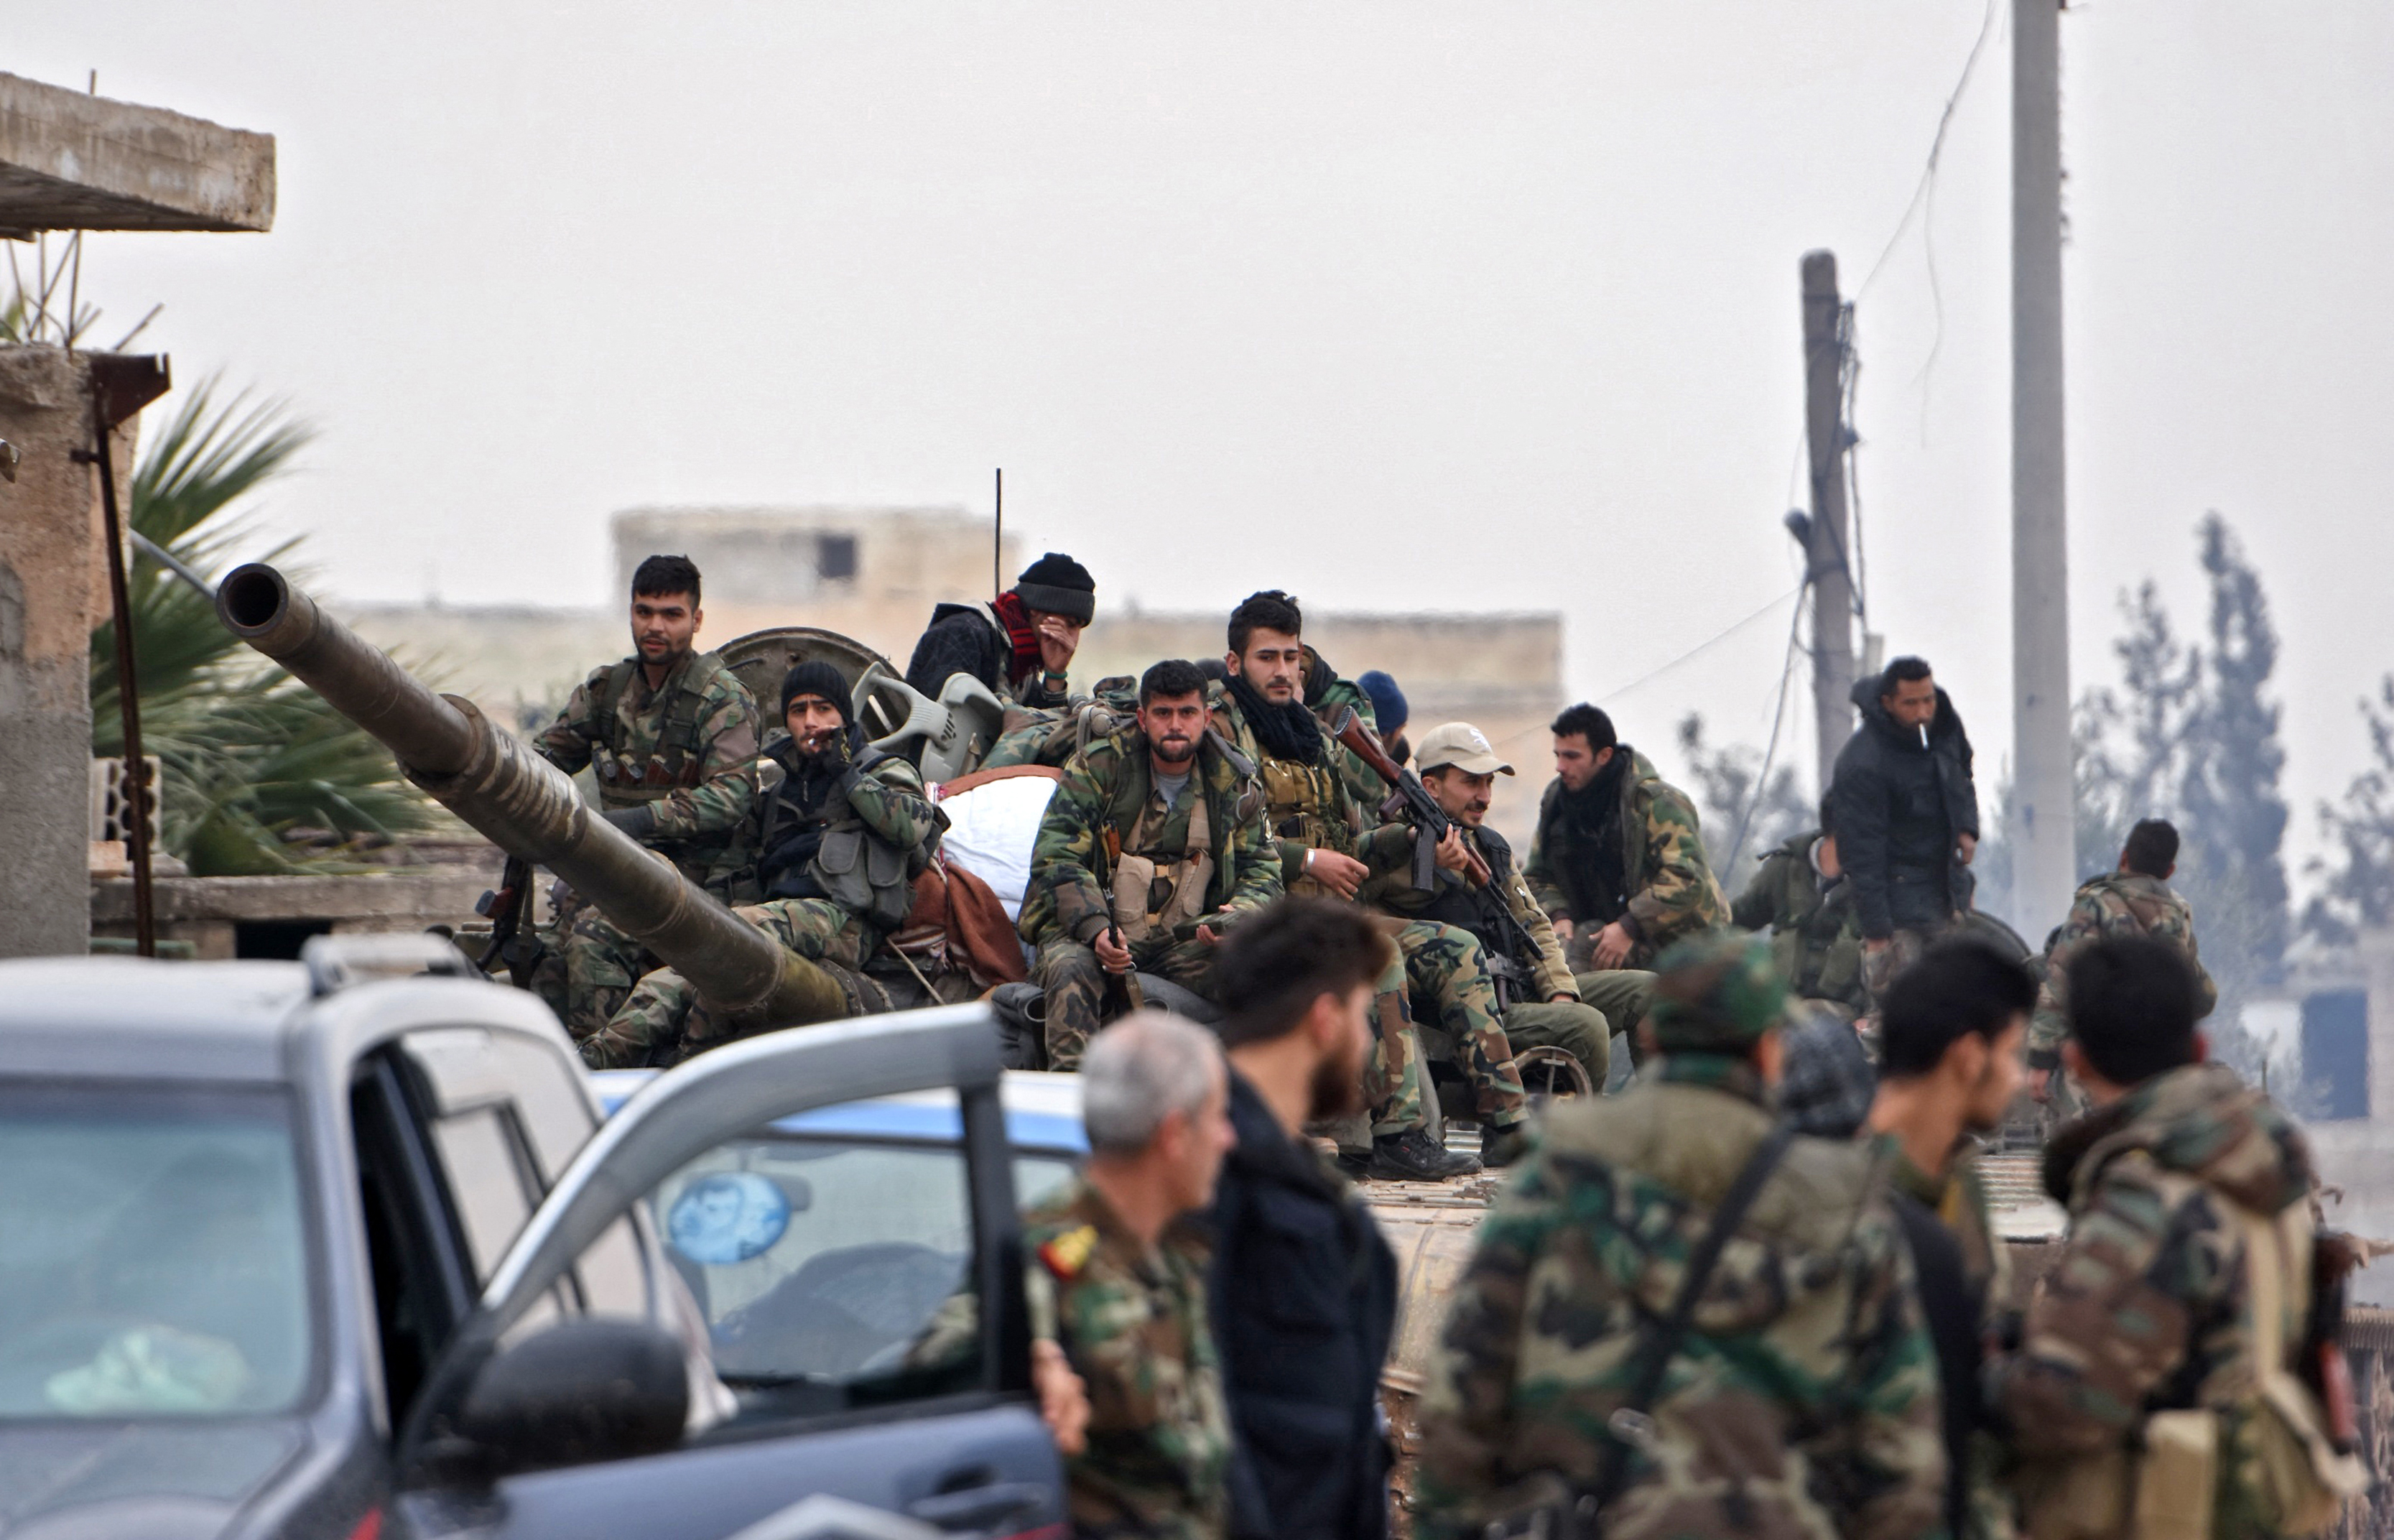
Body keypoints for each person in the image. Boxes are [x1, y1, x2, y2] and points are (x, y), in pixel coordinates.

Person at [1414, 930, 1943, 1540]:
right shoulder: (1844, 1198)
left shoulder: (1557, 1167)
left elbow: (1463, 1401)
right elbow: (1902, 1455)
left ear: (1652, 1038)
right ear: (1771, 1052)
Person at [1989, 936, 2364, 1539]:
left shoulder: (2147, 1194)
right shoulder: (2269, 1179)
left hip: (2162, 1514)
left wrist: (1977, 1374)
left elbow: (2069, 1403)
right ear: (2197, 1047)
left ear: (2075, 1060)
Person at [1212, 590, 1491, 1177]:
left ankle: (1503, 1120)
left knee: (1456, 946)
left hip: (1335, 905)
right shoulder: (1222, 731)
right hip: (1269, 909)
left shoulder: (1309, 731)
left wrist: (1410, 842)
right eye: (1268, 658)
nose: (1284, 671)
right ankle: (1398, 1138)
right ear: (1235, 665)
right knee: (1378, 956)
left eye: (1292, 657)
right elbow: (1223, 840)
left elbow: (1364, 802)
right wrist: (1308, 859)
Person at [585, 660, 947, 1067]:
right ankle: (597, 1060)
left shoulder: (882, 770)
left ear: (844, 716)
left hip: (845, 923)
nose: (811, 721)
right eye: (798, 710)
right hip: (773, 920)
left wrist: (846, 772)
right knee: (669, 977)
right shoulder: (775, 797)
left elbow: (910, 827)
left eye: (823, 708)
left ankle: (687, 1066)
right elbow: (733, 871)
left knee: (735, 941)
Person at [1204, 898, 1403, 1540]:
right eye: (1362, 1015)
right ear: (1324, 1019)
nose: (1368, 1039)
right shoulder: (1201, 1169)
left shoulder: (1301, 1180)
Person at [1025, 1011, 1238, 1540]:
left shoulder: (1182, 1254)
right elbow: (949, 1354)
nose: (1227, 1138)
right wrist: (1033, 1366)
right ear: (1173, 1135)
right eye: (1217, 1118)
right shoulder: (1054, 1253)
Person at [531, 554, 763, 1036]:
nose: (655, 626)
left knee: (593, 944)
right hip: (617, 871)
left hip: (695, 882)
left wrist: (637, 822)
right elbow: (546, 759)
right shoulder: (606, 691)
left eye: (671, 614)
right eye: (644, 611)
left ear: (696, 620)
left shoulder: (721, 699)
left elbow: (731, 797)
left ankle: (610, 1072)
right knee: (547, 953)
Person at [1020, 659, 1281, 1071]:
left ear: (1206, 718)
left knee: (1273, 977)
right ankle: (1069, 1111)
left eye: (1187, 713)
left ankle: (1263, 1116)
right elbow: (1056, 856)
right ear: (1143, 718)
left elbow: (1263, 870)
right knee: (1072, 969)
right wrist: (1094, 929)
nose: (1175, 724)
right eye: (1163, 713)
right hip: (1100, 933)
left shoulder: (1236, 783)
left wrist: (1240, 918)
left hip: (1187, 938)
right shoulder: (1098, 767)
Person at [1865, 939, 2036, 1540]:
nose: (2019, 1078)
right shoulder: (1846, 1200)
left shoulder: (1959, 1184)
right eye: (2013, 1053)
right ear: (1968, 1056)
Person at [1361, 721, 1613, 1095]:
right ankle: (1564, 1136)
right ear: (1429, 787)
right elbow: (1360, 881)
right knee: (1588, 1027)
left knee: (1640, 990)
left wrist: (1560, 993)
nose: (1485, 797)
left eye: (1489, 783)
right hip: (1462, 1011)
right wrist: (1421, 850)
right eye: (1471, 782)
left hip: (1513, 985)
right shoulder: (1394, 845)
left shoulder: (1489, 846)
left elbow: (1532, 923)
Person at [1523, 702, 1724, 1053]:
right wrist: (1559, 915)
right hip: (1605, 932)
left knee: (1672, 1029)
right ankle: (1572, 1083)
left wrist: (1630, 925)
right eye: (1557, 755)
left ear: (1603, 755)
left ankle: (1656, 1094)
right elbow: (1537, 875)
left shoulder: (1657, 802)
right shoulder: (1557, 802)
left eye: (1572, 756)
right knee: (1561, 969)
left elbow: (1687, 879)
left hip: (1683, 944)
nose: (1560, 766)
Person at [2027, 817, 2217, 1119]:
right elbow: (2200, 995)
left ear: (2124, 857)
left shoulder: (2096, 903)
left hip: (2102, 1054)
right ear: (2169, 871)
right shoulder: (2178, 912)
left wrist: (2040, 1060)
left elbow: (2061, 979)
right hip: (2160, 1058)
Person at [1828, 657, 1980, 1011]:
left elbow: (1961, 774)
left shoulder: (1943, 725)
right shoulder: (1863, 763)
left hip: (1945, 889)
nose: (1923, 711)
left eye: (1928, 699)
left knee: (1955, 1010)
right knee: (1898, 1013)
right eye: (1911, 703)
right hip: (1897, 905)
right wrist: (1878, 933)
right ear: (1888, 703)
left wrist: (1966, 828)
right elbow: (1863, 855)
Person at [905, 551, 1095, 713]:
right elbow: (938, 720)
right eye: (1070, 624)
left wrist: (1055, 674)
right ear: (1036, 609)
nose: (1073, 639)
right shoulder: (965, 633)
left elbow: (1039, 736)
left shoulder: (1023, 657)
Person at [1732, 795, 1868, 1021]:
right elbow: (1735, 920)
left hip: (1847, 1020)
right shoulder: (1784, 869)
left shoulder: (1879, 885)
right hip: (1781, 1014)